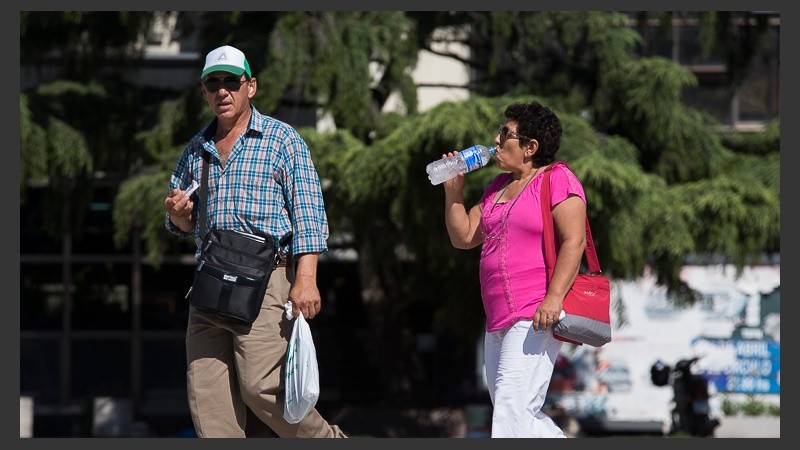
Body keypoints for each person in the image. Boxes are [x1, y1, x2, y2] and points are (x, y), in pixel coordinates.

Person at [163, 44, 346, 438]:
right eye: (214, 83)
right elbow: (178, 220)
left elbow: (309, 213)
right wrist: (178, 217)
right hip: (210, 280)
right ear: (204, 91)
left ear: (251, 87)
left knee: (263, 387)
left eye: (232, 82)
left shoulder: (282, 139)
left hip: (265, 279)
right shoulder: (196, 149)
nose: (222, 91)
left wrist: (306, 278)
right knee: (208, 401)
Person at [441, 101, 587, 438]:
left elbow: (574, 242)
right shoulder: (497, 187)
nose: (496, 138)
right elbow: (464, 236)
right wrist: (454, 193)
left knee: (511, 410)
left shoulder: (557, 179)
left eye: (506, 134)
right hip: (497, 318)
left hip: (535, 312)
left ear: (530, 147)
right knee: (517, 414)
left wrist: (553, 299)